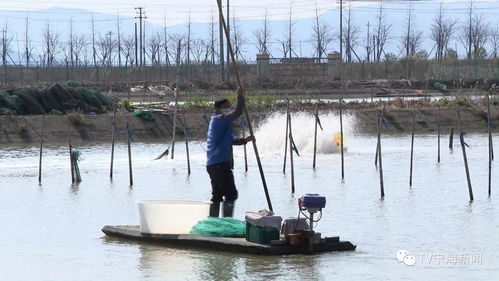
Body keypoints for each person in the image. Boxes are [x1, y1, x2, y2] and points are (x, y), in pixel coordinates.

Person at [206, 87, 254, 217]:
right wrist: (240, 96)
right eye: (226, 107)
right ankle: (227, 222)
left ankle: (214, 221)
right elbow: (237, 112)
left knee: (217, 195)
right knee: (231, 194)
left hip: (214, 165)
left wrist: (246, 140)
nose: (228, 109)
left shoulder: (221, 125)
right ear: (217, 108)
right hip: (219, 165)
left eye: (229, 107)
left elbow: (233, 141)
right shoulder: (218, 118)